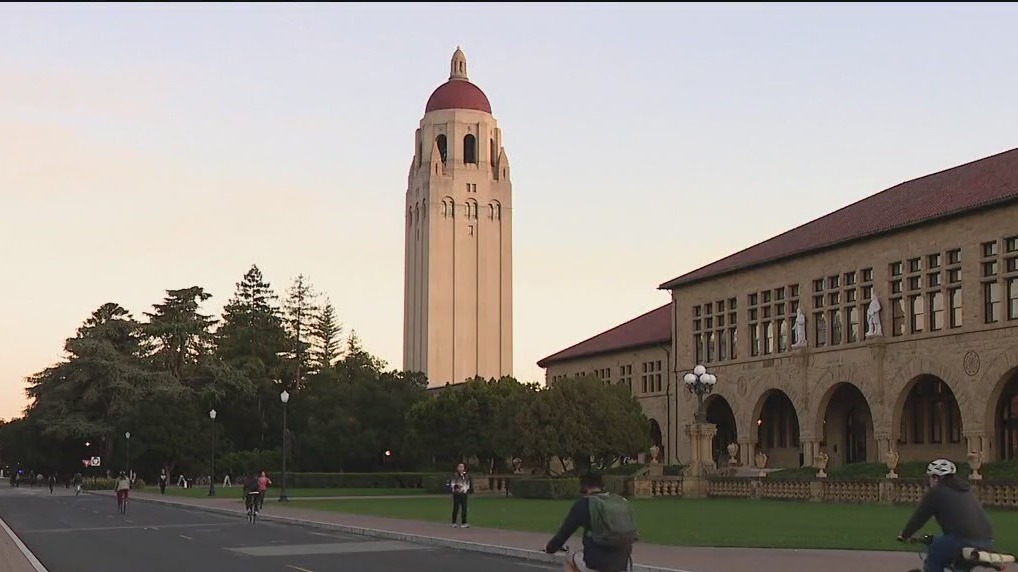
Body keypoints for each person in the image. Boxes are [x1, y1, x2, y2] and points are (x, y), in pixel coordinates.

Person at [897, 458, 994, 572]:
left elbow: (919, 518)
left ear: (937, 477)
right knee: (956, 560)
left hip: (963, 540)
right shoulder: (965, 490)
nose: (929, 481)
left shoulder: (936, 492)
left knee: (936, 547)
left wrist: (905, 534)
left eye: (931, 477)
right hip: (987, 541)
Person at [545, 473, 637, 572]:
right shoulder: (617, 501)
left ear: (585, 489)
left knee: (569, 560)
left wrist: (550, 548)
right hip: (621, 564)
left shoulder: (585, 503)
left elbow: (564, 533)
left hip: (595, 564)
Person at [447, 463, 473, 528]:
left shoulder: (466, 475)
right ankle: (454, 522)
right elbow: (452, 484)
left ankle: (464, 523)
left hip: (464, 494)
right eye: (460, 467)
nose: (461, 468)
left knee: (464, 508)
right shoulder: (455, 475)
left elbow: (468, 483)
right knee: (456, 507)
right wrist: (457, 488)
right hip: (457, 494)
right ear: (457, 468)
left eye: (462, 467)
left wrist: (466, 489)